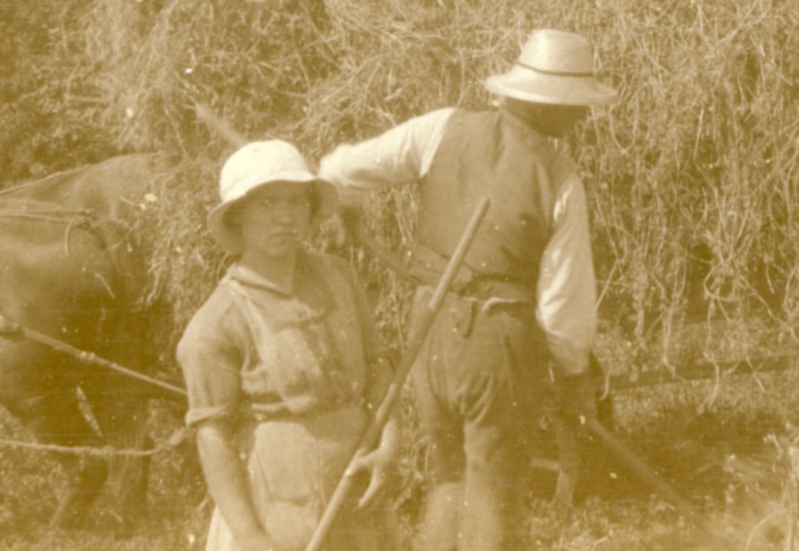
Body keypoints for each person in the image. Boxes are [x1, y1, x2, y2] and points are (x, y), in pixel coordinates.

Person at [317, 29, 612, 551]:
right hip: (496, 343)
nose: (583, 117)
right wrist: (574, 376)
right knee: (495, 487)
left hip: (427, 331)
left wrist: (342, 208)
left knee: (448, 476)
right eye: (577, 105)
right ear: (550, 105)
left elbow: (339, 169)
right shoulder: (560, 179)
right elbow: (563, 312)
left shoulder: (441, 128)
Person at [178, 140, 401, 551]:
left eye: (296, 201)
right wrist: (249, 536)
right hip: (277, 509)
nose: (284, 217)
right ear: (238, 217)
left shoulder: (340, 277)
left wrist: (388, 446)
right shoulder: (216, 325)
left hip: (357, 496)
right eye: (265, 204)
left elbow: (377, 364)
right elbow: (213, 437)